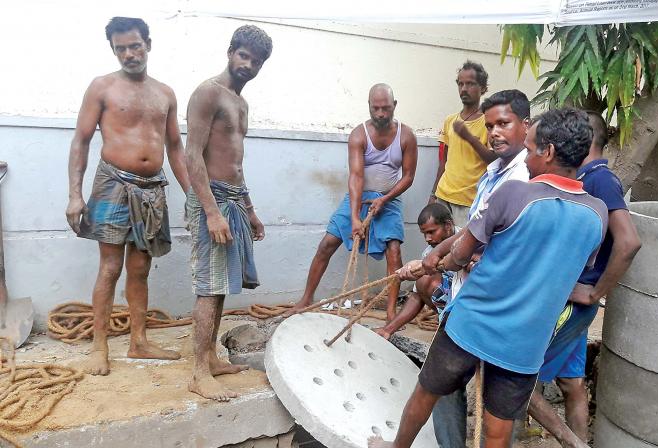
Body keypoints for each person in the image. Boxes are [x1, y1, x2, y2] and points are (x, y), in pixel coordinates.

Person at [369, 108, 608, 448]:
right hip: (526, 343)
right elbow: (572, 266)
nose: (526, 157)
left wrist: (439, 261)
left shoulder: (514, 195)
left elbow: (462, 254)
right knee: (497, 429)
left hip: (473, 324)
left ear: (549, 152)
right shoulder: (597, 213)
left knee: (427, 392)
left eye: (530, 147)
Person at [398, 89, 533, 448]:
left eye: (503, 123)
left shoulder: (523, 178)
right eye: (489, 125)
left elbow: (500, 245)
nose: (495, 132)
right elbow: (474, 230)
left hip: (492, 302)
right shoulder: (494, 172)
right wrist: (435, 259)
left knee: (494, 403)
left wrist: (446, 258)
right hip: (467, 296)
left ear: (526, 126)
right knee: (445, 387)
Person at [66, 17, 190, 376]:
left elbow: (176, 147)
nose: (129, 54)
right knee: (110, 267)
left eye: (135, 46)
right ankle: (99, 346)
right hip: (112, 184)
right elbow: (81, 141)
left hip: (152, 190)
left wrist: (193, 197)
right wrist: (75, 195)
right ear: (113, 50)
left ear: (148, 44)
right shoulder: (102, 87)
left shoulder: (164, 93)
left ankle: (139, 341)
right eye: (121, 48)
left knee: (140, 268)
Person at [527, 112, 641, 448]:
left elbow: (629, 241)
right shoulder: (587, 178)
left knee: (518, 380)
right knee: (571, 383)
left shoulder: (599, 180)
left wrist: (595, 292)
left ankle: (573, 443)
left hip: (571, 305)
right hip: (572, 304)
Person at [184, 25, 272, 401]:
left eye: (256, 61)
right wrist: (211, 212)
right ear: (230, 51)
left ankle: (212, 358)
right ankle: (198, 372)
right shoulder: (208, 93)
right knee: (209, 286)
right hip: (212, 200)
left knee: (220, 286)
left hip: (234, 200)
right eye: (243, 56)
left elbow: (237, 163)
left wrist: (249, 210)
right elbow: (192, 156)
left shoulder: (241, 104)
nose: (248, 65)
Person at [285, 84, 418, 322]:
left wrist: (384, 199)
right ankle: (306, 298)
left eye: (385, 108)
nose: (380, 114)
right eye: (375, 108)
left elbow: (408, 177)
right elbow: (356, 176)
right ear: (368, 106)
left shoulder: (406, 136)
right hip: (358, 196)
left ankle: (390, 312)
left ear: (394, 106)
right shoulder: (358, 135)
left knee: (395, 252)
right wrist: (356, 216)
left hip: (390, 199)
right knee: (327, 243)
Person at [374, 203, 458, 340]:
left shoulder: (467, 240)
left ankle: (456, 329)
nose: (427, 238)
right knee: (423, 282)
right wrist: (388, 330)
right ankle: (449, 325)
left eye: (431, 232)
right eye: (424, 234)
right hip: (454, 303)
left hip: (474, 302)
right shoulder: (429, 253)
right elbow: (416, 296)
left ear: (448, 226)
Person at [431, 61, 495, 227]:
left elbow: (493, 160)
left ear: (483, 88)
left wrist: (469, 137)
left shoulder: (488, 122)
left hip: (469, 200)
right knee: (438, 247)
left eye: (470, 84)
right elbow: (442, 162)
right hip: (443, 195)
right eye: (460, 84)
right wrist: (433, 194)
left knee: (462, 250)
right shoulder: (450, 121)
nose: (464, 89)